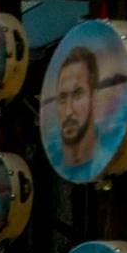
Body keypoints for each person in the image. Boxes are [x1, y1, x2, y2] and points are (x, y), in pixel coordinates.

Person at [51, 45, 100, 174]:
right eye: (62, 98)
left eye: (77, 95)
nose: (68, 111)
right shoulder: (53, 157)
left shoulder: (107, 151)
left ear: (94, 97)